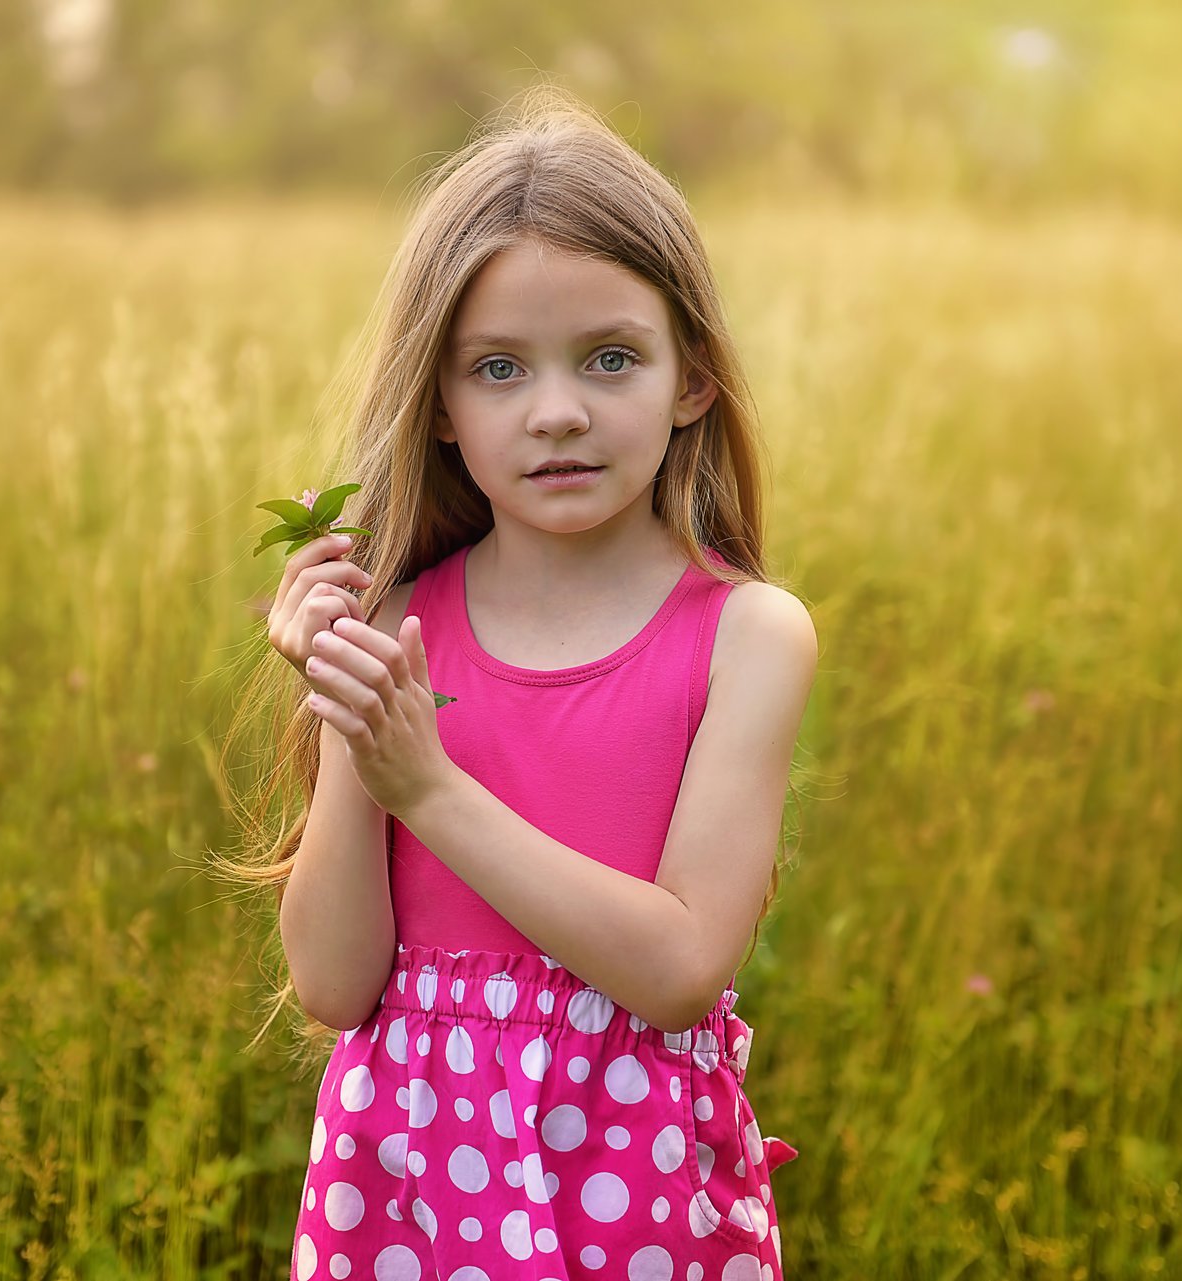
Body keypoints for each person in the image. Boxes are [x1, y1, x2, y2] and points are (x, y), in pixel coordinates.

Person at [252, 85, 818, 1280]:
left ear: (692, 381)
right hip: (408, 1189)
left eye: (610, 359)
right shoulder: (402, 617)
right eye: (498, 369)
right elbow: (336, 982)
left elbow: (673, 973)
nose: (557, 412)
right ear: (443, 408)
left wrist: (430, 788)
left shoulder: (746, 636)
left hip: (632, 1196)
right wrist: (350, 704)